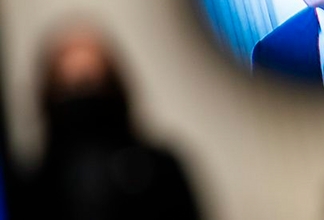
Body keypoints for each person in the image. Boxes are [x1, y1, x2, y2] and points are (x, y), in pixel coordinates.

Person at [17, 22, 200, 220]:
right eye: (68, 87)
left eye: (91, 82)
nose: (82, 97)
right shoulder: (33, 189)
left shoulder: (161, 172)